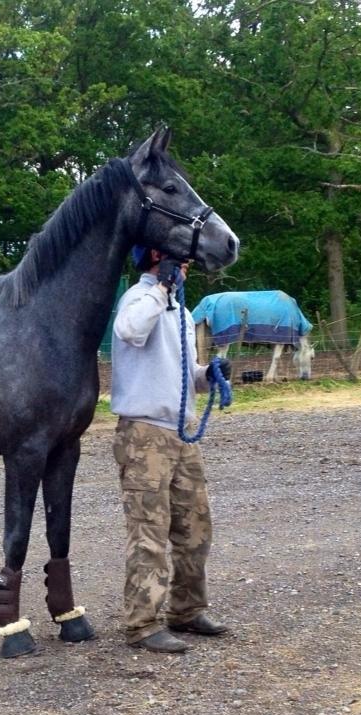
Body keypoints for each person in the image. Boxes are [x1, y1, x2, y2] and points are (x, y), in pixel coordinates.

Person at [110, 245, 231, 653]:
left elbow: (180, 377)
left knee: (195, 528)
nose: (186, 268)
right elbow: (129, 330)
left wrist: (206, 376)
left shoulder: (178, 310)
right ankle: (142, 624)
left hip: (180, 432)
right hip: (144, 435)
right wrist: (161, 286)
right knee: (150, 531)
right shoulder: (139, 299)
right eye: (180, 262)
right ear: (157, 260)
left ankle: (186, 609)